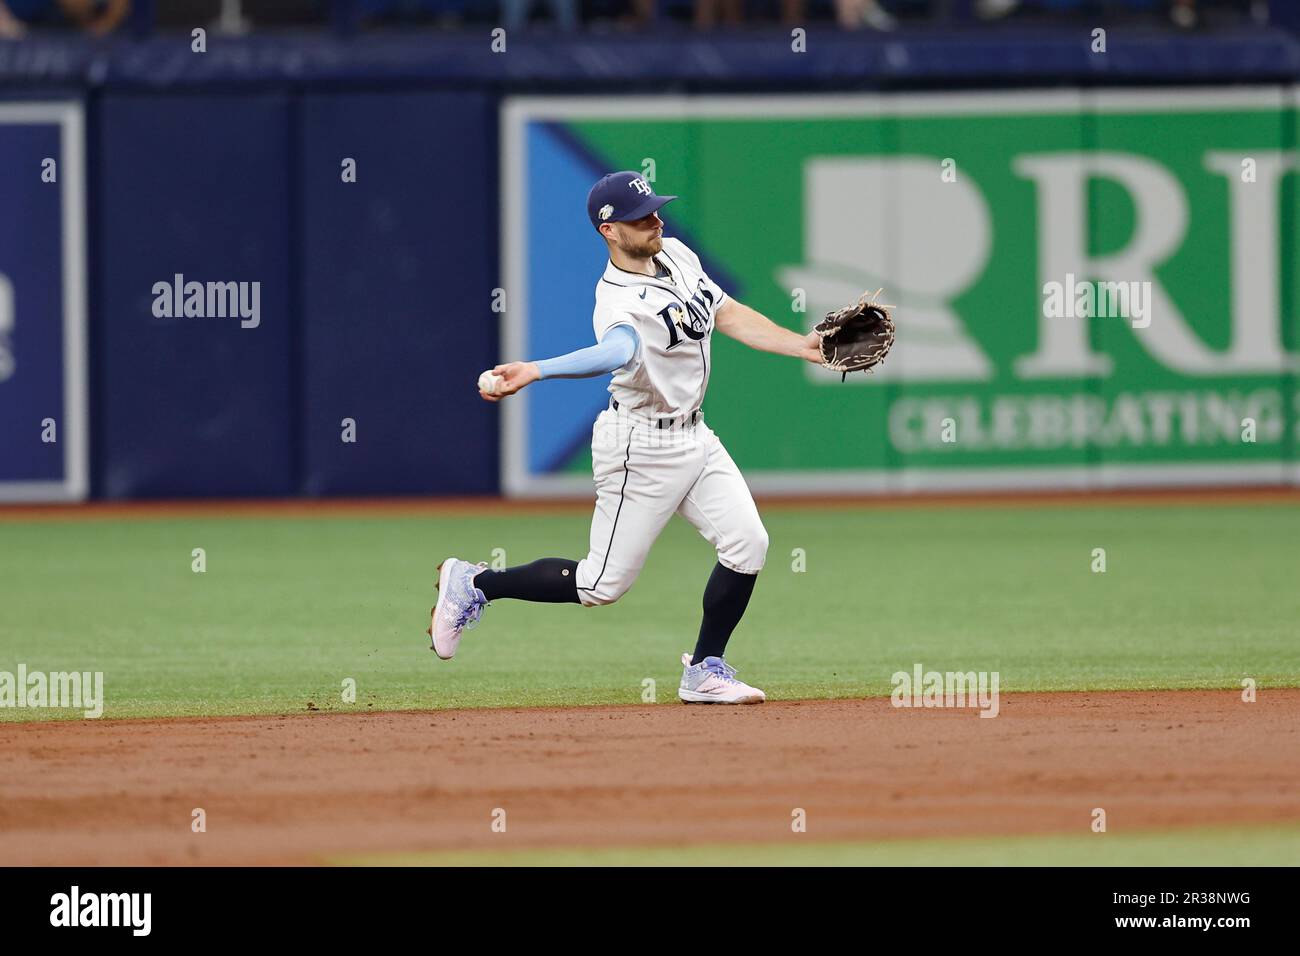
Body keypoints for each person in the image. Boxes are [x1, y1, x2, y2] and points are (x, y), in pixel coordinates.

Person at [429, 171, 826, 704]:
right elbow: (614, 353)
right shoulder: (616, 299)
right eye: (641, 217)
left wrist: (800, 345)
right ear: (609, 230)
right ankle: (476, 584)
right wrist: (538, 370)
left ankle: (705, 670)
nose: (655, 220)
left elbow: (727, 313)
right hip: (640, 444)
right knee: (600, 586)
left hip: (695, 435)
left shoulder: (678, 255)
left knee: (748, 544)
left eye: (657, 210)